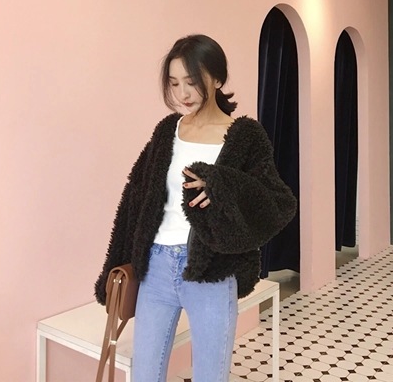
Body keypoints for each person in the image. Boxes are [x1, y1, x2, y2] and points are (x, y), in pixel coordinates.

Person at [95, 34, 297, 382]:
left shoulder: (245, 135)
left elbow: (277, 203)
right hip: (156, 267)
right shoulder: (167, 131)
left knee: (210, 376)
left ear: (217, 79)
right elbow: (135, 199)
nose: (182, 93)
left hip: (210, 272)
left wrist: (220, 184)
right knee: (145, 375)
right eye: (174, 83)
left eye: (192, 82)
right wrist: (115, 264)